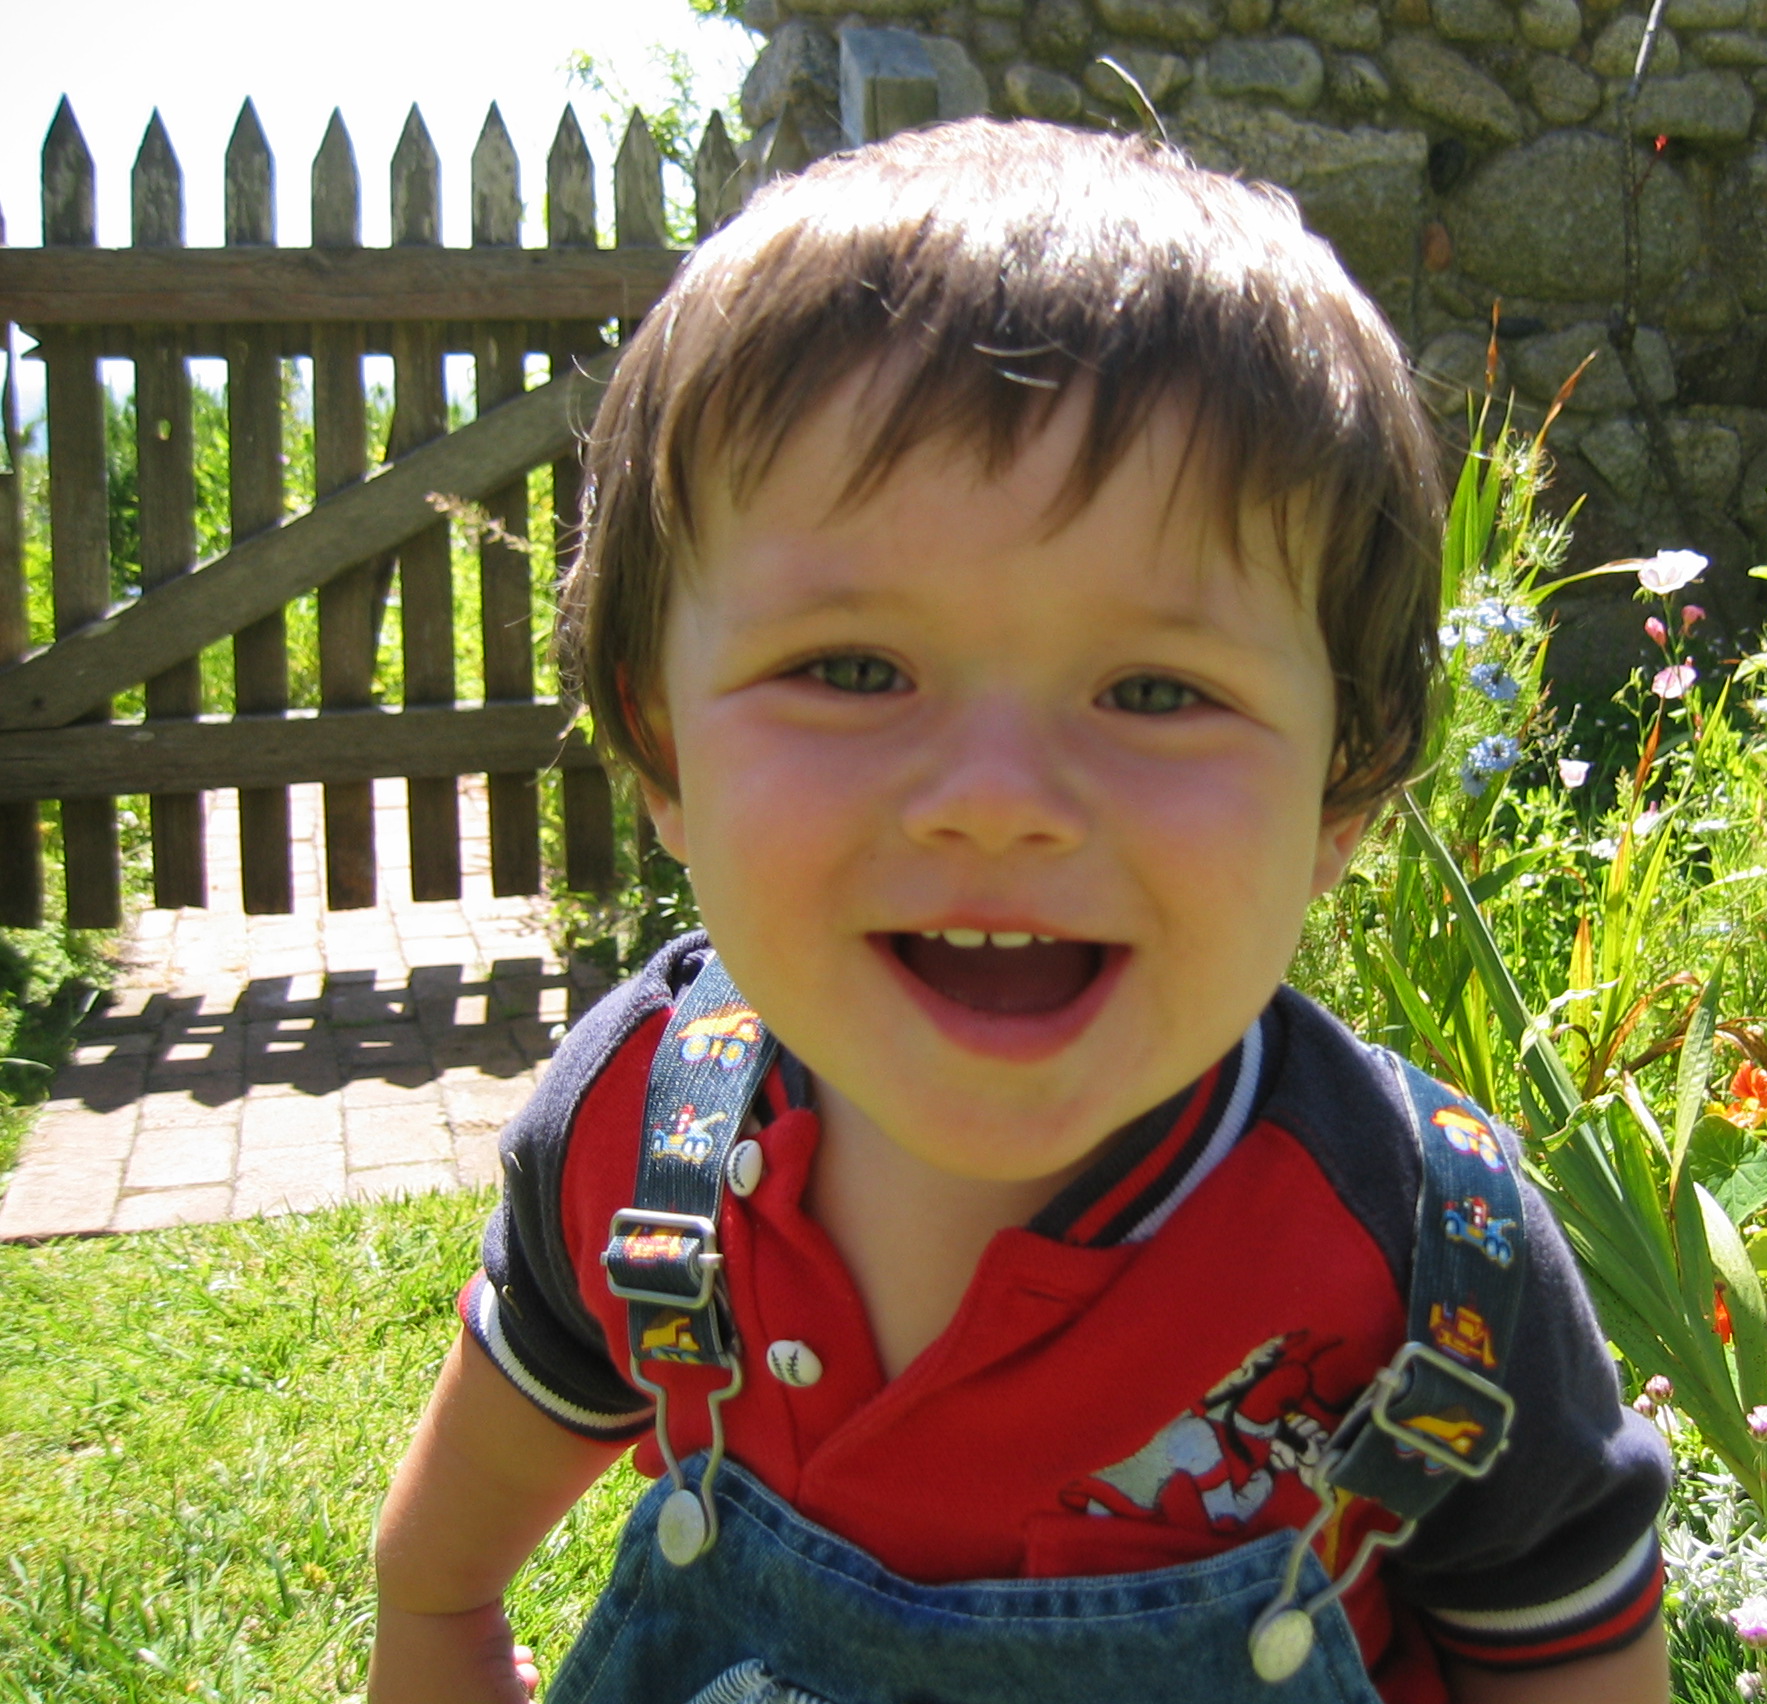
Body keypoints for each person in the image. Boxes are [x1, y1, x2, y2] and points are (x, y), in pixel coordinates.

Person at [367, 117, 1672, 1704]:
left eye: (1154, 689)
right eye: (853, 669)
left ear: (1345, 784)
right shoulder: (643, 1139)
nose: (996, 798)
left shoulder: (1425, 1262)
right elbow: (465, 1517)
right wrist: (434, 1622)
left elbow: (1569, 1645)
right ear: (662, 744)